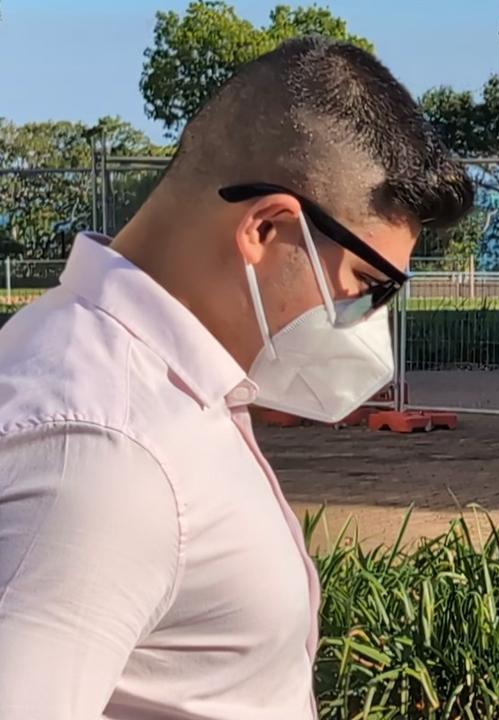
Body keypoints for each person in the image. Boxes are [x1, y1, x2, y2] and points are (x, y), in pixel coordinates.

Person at [0, 37, 473, 719]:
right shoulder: (105, 449)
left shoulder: (156, 384)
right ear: (267, 228)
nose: (370, 322)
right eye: (367, 286)